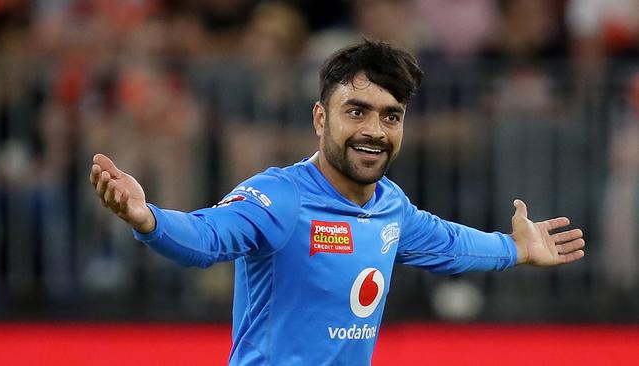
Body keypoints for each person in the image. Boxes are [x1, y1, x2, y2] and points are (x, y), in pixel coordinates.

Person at [89, 40, 585, 365]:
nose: (374, 131)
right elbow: (209, 237)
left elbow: (450, 244)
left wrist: (516, 248)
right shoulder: (279, 196)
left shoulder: (392, 207)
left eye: (391, 117)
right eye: (357, 112)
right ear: (321, 118)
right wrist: (149, 218)